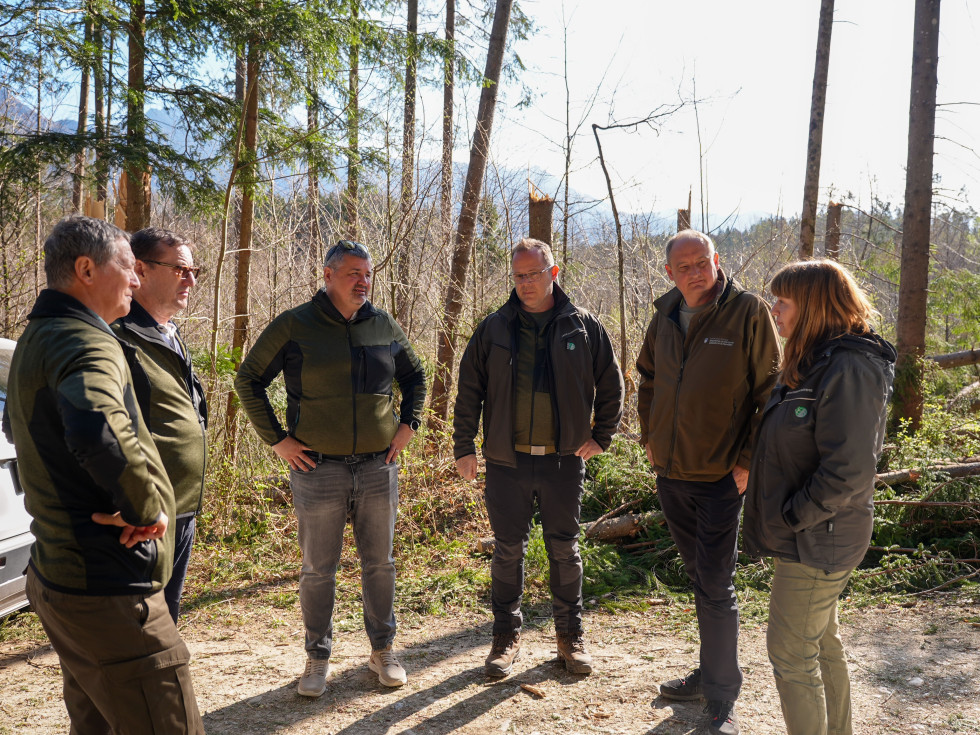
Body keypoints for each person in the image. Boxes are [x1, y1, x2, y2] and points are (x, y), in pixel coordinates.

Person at [2, 215, 203, 733]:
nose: (135, 279)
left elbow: (23, 432)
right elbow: (97, 431)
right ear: (86, 270)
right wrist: (146, 509)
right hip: (108, 587)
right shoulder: (84, 341)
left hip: (62, 576)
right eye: (127, 267)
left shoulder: (39, 335)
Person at [235, 239, 426, 697]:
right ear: (328, 275)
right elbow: (248, 379)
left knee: (380, 564)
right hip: (318, 469)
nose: (364, 281)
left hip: (379, 466)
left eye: (368, 274)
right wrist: (277, 440)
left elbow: (415, 376)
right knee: (318, 569)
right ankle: (317, 657)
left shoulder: (382, 324)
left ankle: (383, 650)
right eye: (354, 273)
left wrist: (409, 425)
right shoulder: (295, 325)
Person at [453, 238, 625, 677]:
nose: (526, 283)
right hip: (506, 462)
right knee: (507, 550)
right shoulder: (494, 328)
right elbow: (469, 389)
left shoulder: (582, 327)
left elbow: (611, 383)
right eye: (519, 275)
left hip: (562, 461)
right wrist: (464, 446)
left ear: (554, 272)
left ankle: (570, 637)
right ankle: (505, 638)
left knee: (564, 550)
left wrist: (601, 436)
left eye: (534, 274)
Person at [635, 229, 781, 734]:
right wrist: (649, 436)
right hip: (671, 472)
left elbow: (771, 390)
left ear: (717, 260)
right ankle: (710, 672)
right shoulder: (665, 315)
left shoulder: (747, 312)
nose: (696, 272)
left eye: (703, 262)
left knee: (716, 584)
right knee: (701, 578)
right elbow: (647, 377)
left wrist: (747, 461)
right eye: (685, 267)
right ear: (670, 273)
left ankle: (722, 697)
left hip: (722, 476)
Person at [743, 259, 895, 735]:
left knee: (791, 653)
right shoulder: (814, 361)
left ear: (813, 306)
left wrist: (792, 516)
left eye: (783, 301)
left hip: (818, 537)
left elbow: (849, 469)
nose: (774, 309)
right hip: (812, 532)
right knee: (821, 644)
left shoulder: (850, 366)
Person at [113, 227, 208, 624]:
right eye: (180, 270)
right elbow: (108, 431)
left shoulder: (169, 333)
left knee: (166, 618)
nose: (191, 281)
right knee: (139, 626)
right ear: (141, 270)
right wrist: (130, 503)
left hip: (182, 508)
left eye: (194, 271)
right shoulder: (119, 337)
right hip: (145, 516)